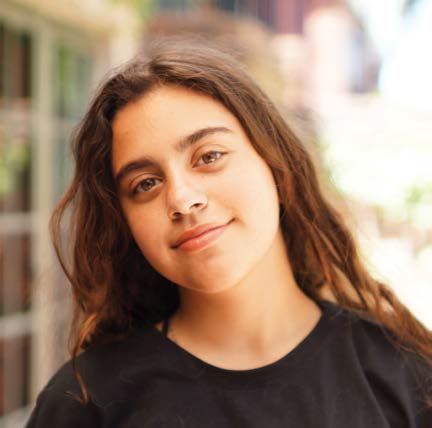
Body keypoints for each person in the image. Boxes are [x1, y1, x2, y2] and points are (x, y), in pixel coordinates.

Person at [26, 37, 431, 427]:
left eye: (209, 157)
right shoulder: (86, 404)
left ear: (275, 162)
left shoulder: (406, 376)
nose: (182, 200)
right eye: (146, 184)